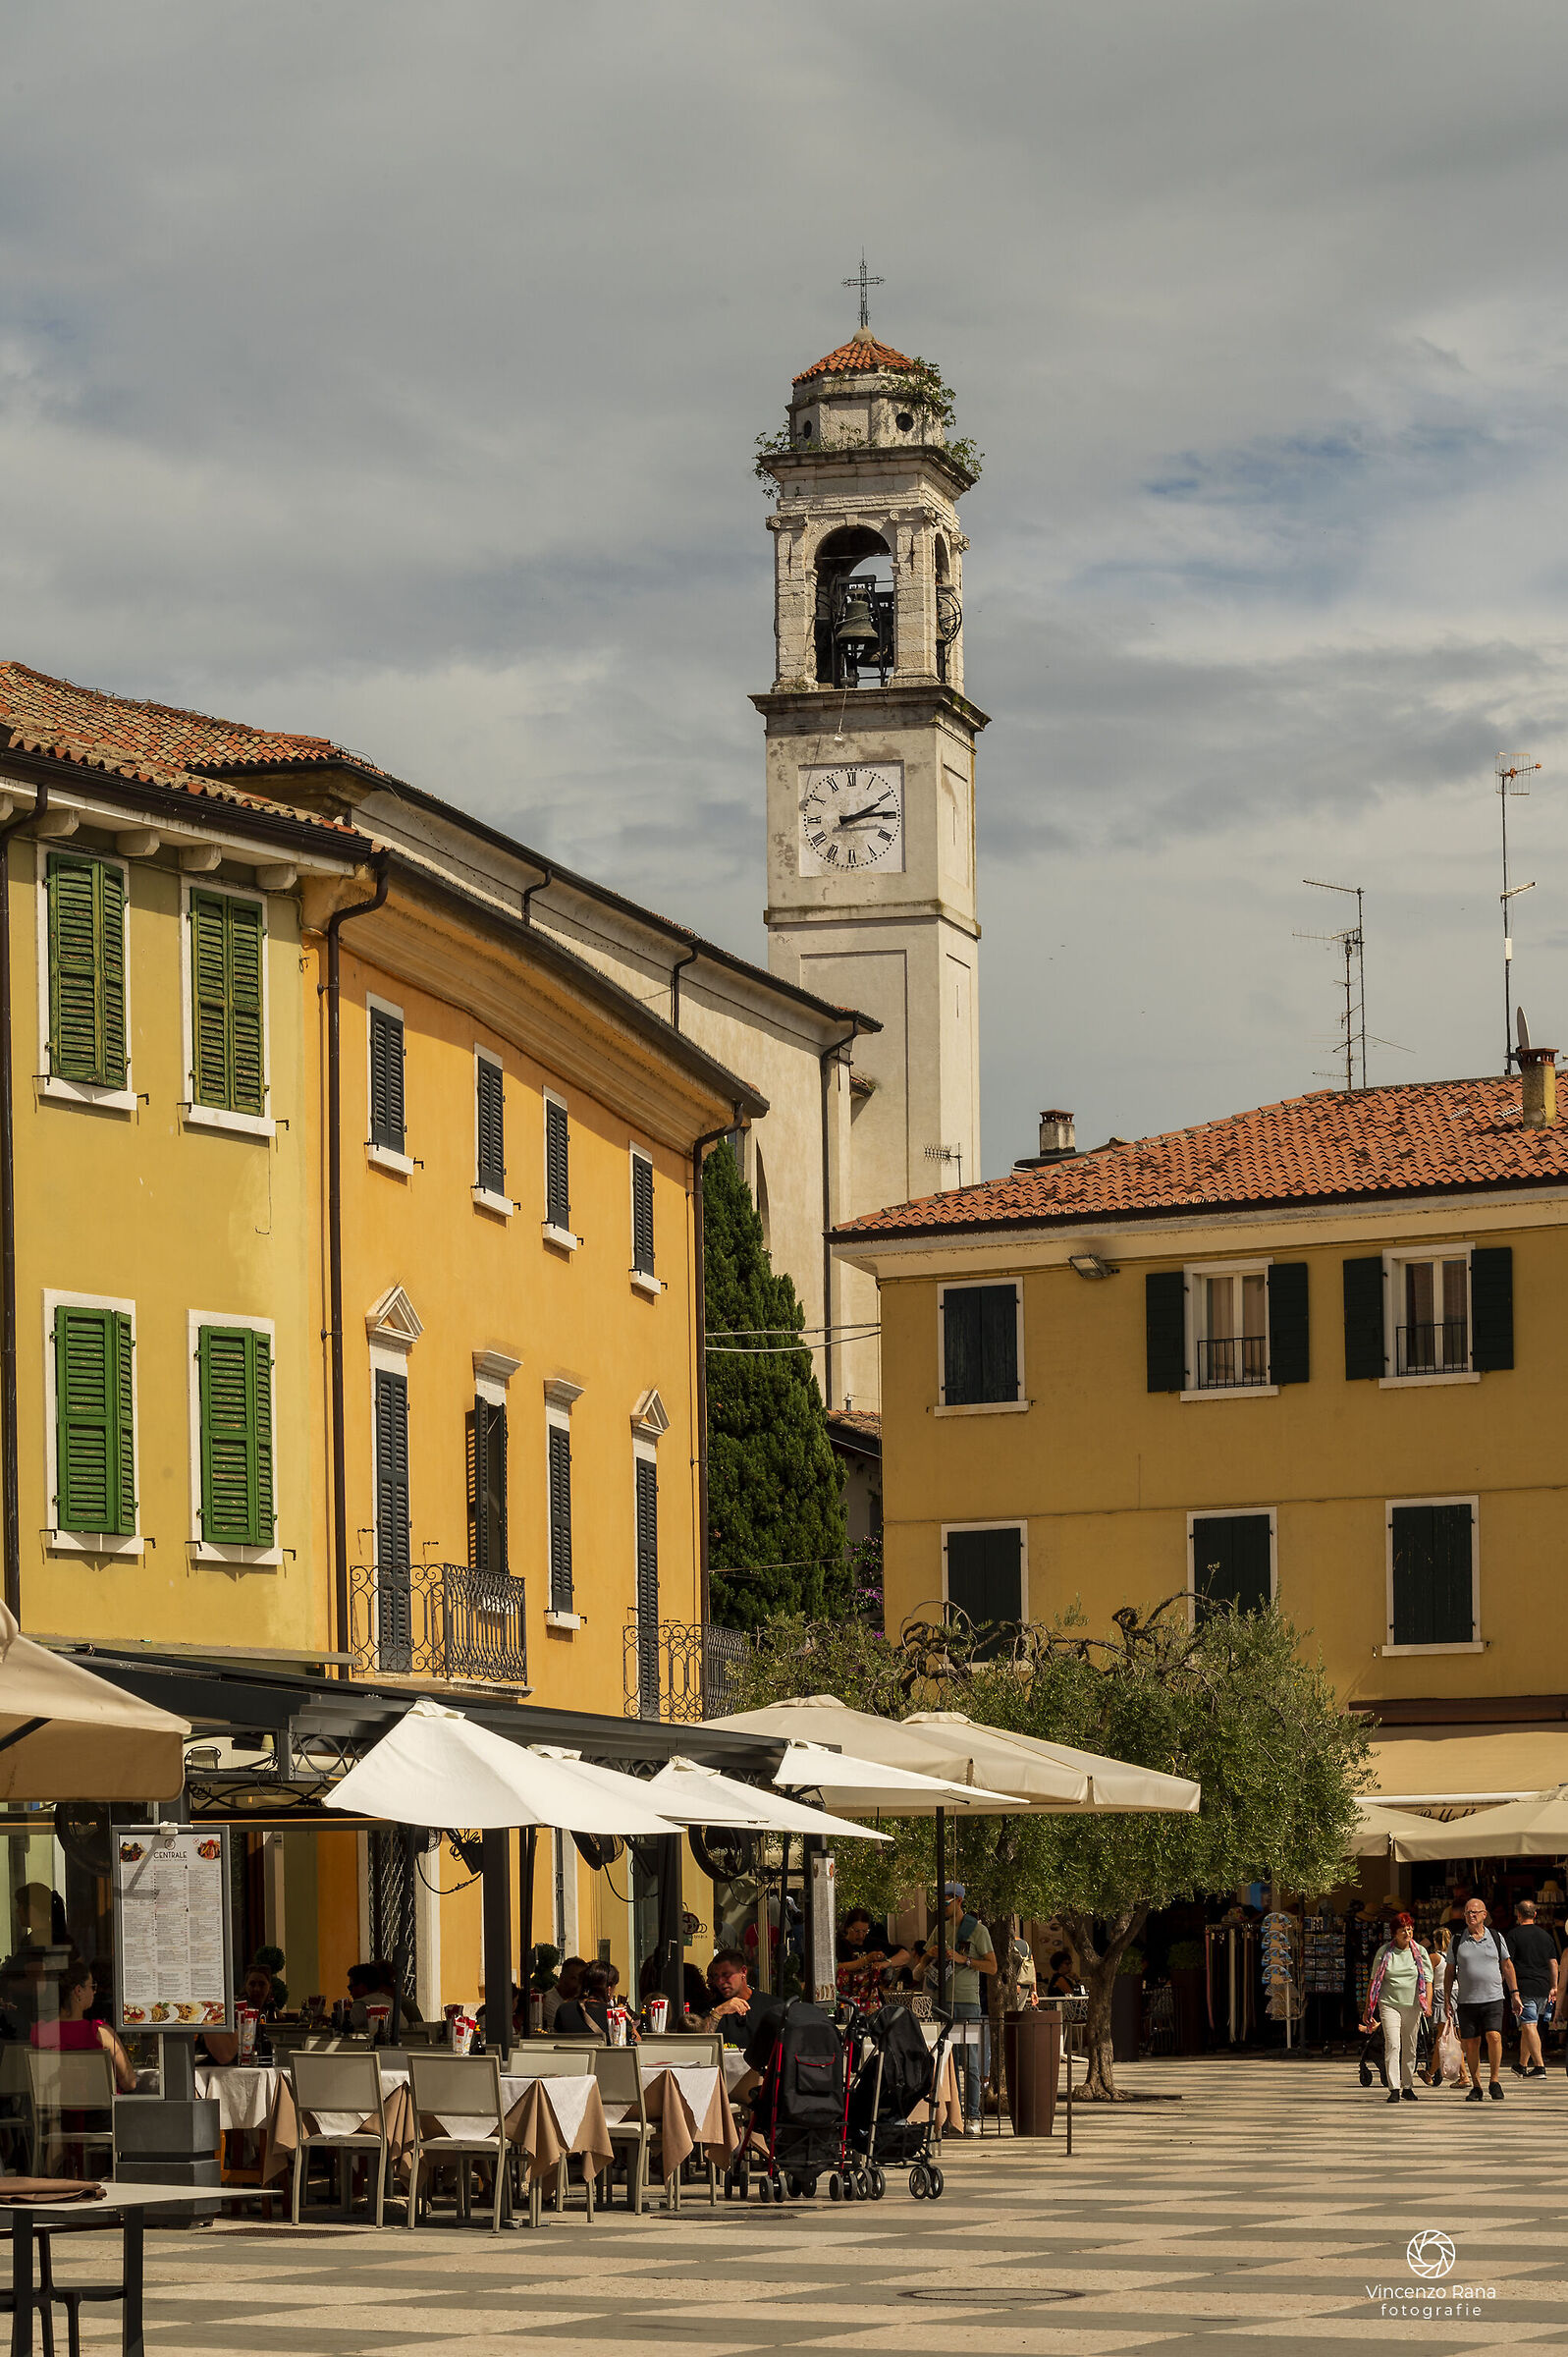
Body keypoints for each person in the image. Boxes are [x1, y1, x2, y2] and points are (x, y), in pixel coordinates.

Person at [919, 1884, 995, 2135]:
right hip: (942, 2001)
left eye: (946, 1902)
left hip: (967, 2001)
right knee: (946, 2062)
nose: (943, 1907)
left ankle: (972, 2114)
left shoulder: (978, 1930)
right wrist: (930, 1954)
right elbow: (921, 1962)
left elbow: (993, 1967)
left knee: (971, 2062)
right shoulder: (940, 1930)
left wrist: (965, 1960)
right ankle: (952, 2116)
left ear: (959, 1901)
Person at [1445, 1895, 1522, 2102]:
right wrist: (1446, 1999)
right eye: (1468, 1912)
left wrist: (1514, 1994)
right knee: (1471, 2043)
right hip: (1467, 2000)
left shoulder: (1496, 1937)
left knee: (1494, 2037)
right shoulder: (1457, 1939)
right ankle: (1477, 2085)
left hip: (1493, 1997)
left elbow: (1507, 1966)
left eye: (1475, 1912)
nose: (1471, 1915)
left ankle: (1494, 2081)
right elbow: (1450, 1971)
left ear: (1484, 1915)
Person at [30, 1955, 135, 2092]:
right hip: (99, 2111)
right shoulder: (101, 2034)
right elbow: (129, 2082)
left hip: (58, 2110)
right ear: (78, 1991)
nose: (94, 1991)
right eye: (92, 1986)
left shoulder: (39, 2032)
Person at [1360, 1914, 1431, 2105]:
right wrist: (1368, 2007)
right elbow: (1374, 1980)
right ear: (1395, 1933)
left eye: (1410, 1929)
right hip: (1389, 2003)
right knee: (1393, 2044)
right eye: (1403, 1930)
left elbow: (1428, 1980)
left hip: (1413, 2005)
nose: (1407, 1933)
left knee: (1410, 2046)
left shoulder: (1420, 1952)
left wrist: (1428, 2004)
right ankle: (1394, 2087)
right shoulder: (1385, 1952)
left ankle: (1407, 2085)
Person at [1505, 1898, 1557, 2079]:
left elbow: (1507, 1963)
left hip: (1523, 1987)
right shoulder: (1546, 1936)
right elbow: (1553, 1963)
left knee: (1529, 2026)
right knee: (1530, 2026)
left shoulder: (1513, 1935)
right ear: (1535, 1915)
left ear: (1518, 1915)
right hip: (1543, 1987)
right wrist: (1554, 1986)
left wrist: (1512, 1991)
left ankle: (1540, 2067)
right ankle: (1522, 2064)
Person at [835, 1909, 911, 2007]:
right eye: (857, 1931)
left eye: (865, 1931)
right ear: (847, 1928)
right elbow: (837, 1966)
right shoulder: (839, 1945)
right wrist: (866, 1960)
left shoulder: (873, 1943)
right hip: (845, 2002)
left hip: (871, 2004)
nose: (861, 1935)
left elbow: (905, 1955)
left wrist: (886, 1963)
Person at [703, 1947, 766, 2048]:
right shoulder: (711, 2008)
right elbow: (700, 2043)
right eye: (716, 1976)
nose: (720, 1981)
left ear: (743, 1971)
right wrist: (719, 2012)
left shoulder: (768, 2006)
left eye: (726, 1975)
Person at [544, 1955, 587, 2031]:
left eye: (582, 1979)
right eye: (574, 1978)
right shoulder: (549, 2002)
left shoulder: (582, 2001)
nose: (579, 1983)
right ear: (562, 1978)